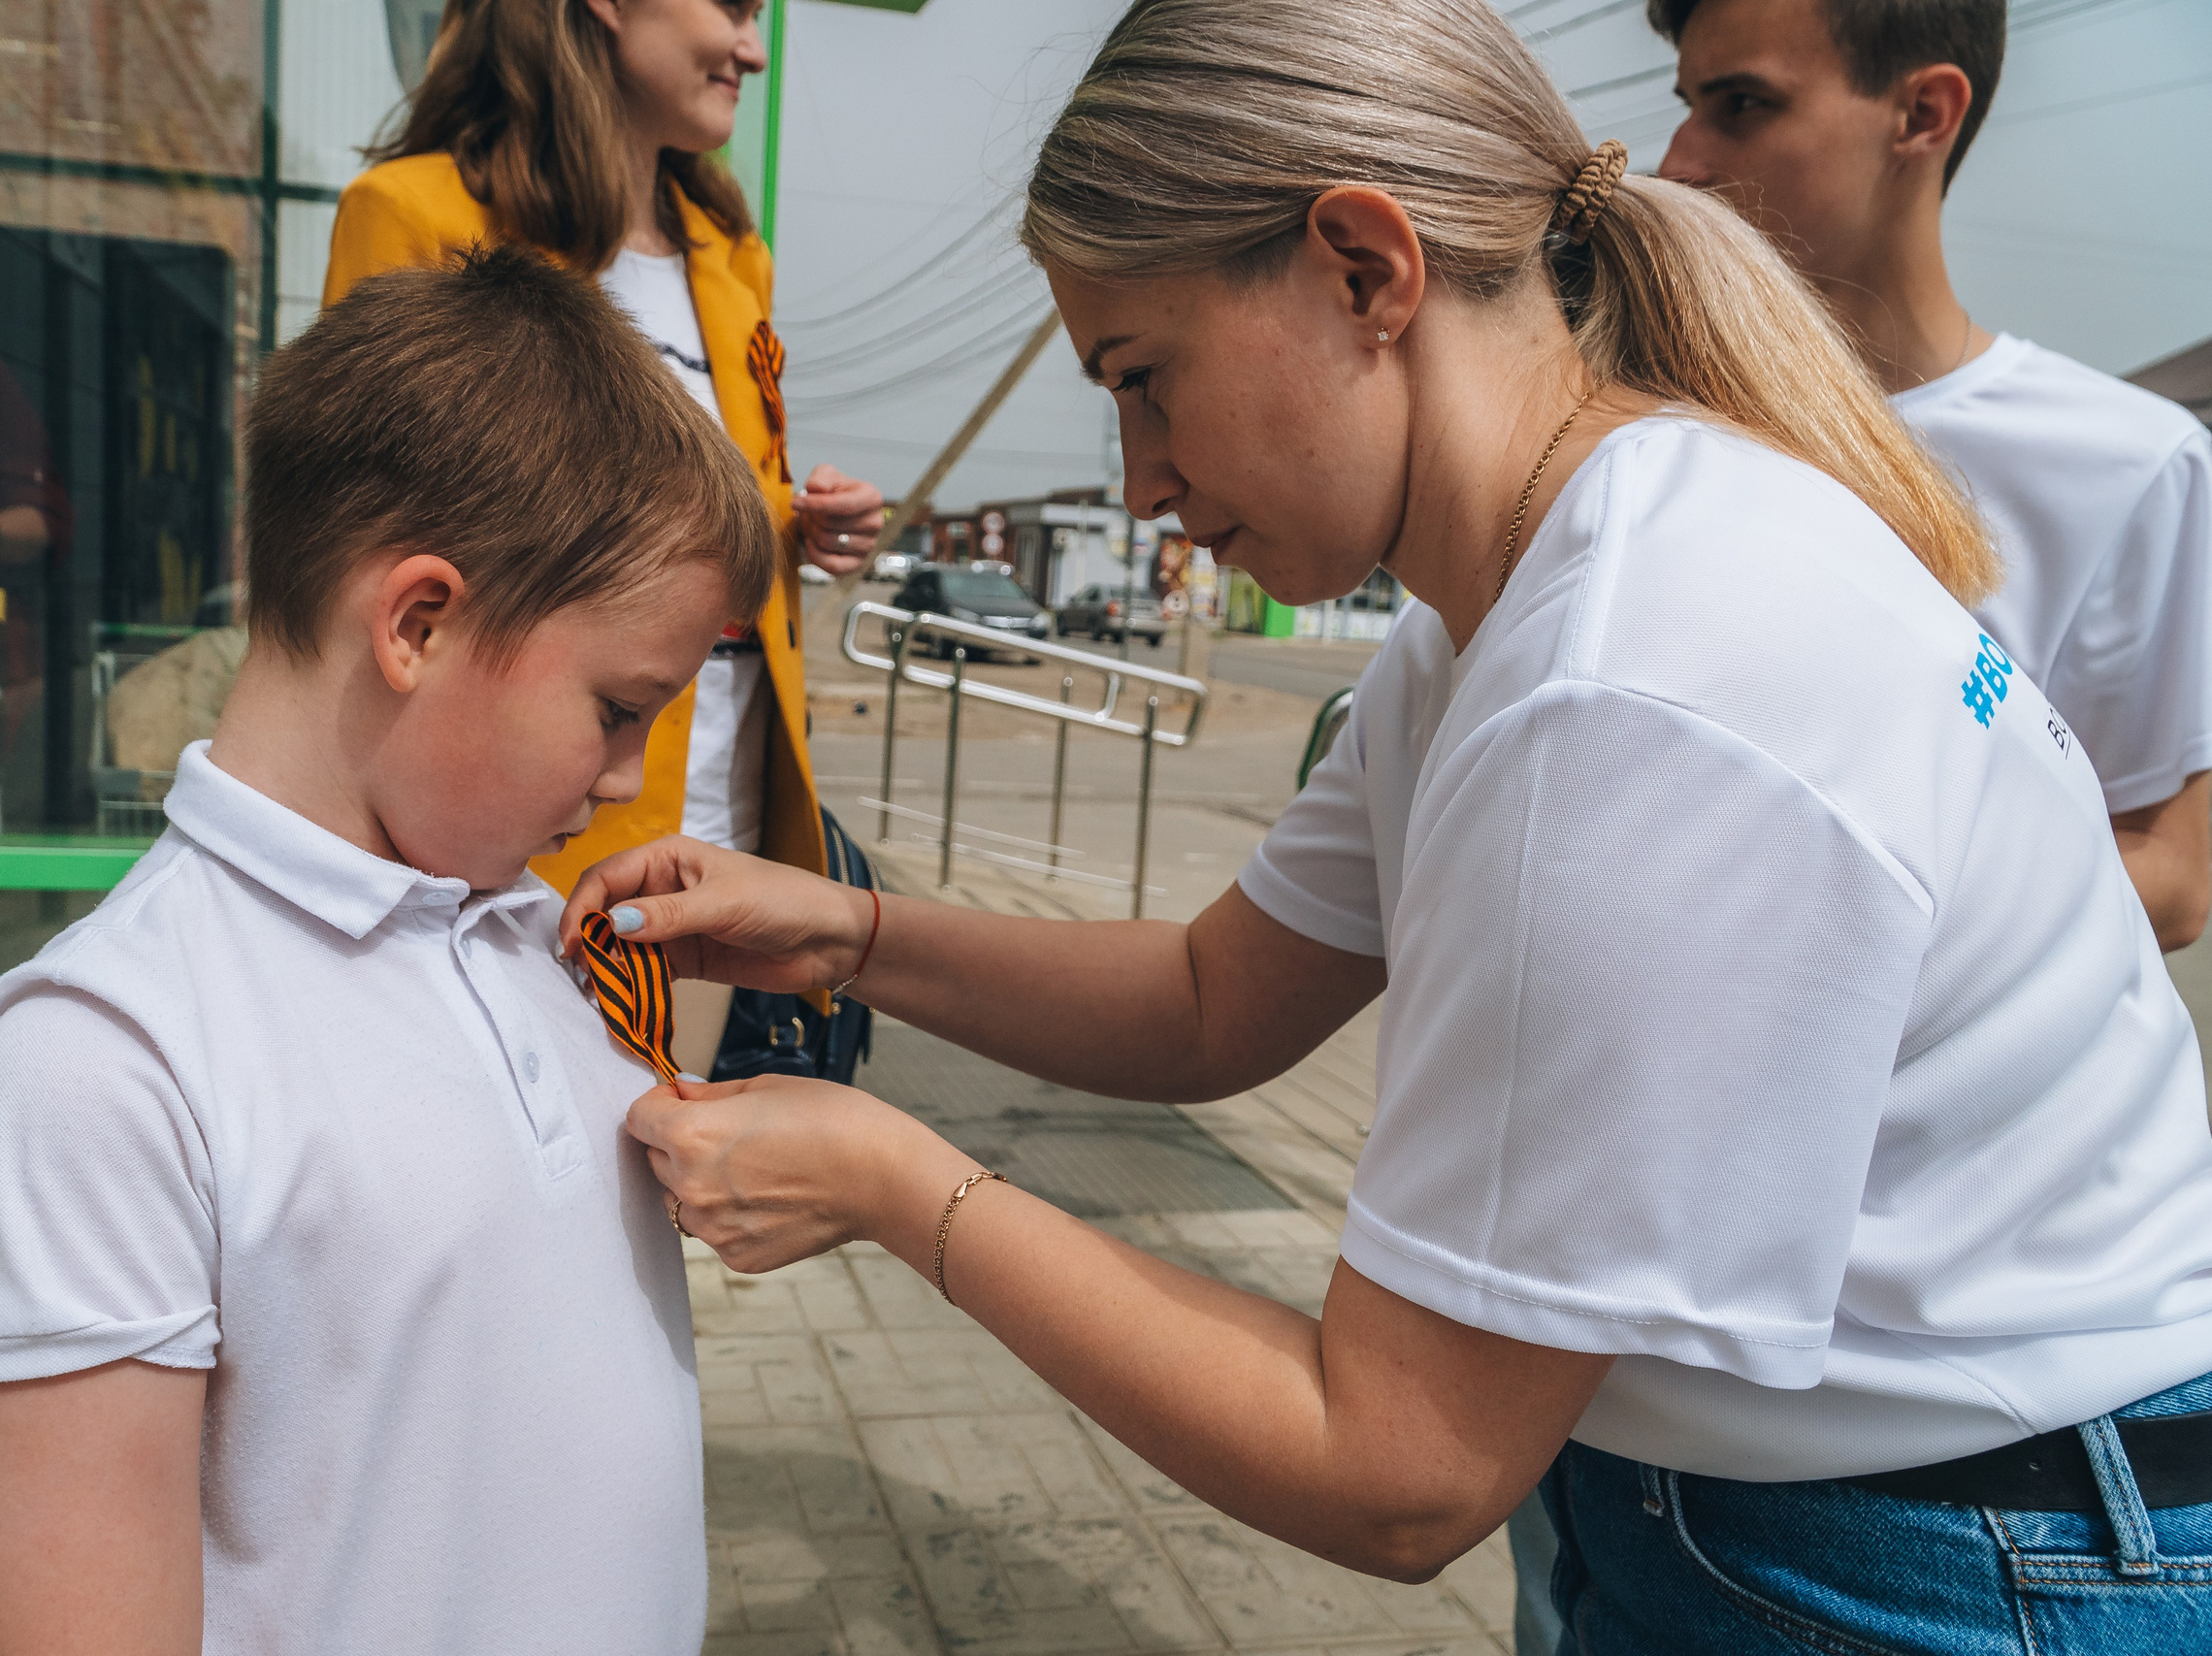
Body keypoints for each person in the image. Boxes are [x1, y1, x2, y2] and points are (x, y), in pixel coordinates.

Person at [560, 1, 2212, 1649]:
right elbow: (1216, 999)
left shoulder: (1633, 675)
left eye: (1146, 378)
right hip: (1806, 1501)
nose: (1135, 477)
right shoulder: (1504, 606)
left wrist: (896, 1181)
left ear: (1366, 268)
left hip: (1945, 1551)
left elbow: (1397, 1466)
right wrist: (846, 933)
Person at [0, 245, 775, 1654]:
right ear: (419, 622)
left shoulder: (524, 940)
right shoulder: (103, 1067)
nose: (628, 777)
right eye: (621, 706)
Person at [323, 0, 887, 1076]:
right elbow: (363, 550)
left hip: (712, 801)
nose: (754, 50)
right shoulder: (413, 215)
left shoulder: (730, 254)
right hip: (498, 827)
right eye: (734, 7)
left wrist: (786, 526)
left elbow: (689, 522)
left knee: (648, 1185)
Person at [1650, 0, 2212, 952]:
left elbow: (2172, 875)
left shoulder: (2131, 465)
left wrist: (1817, 900)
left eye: (1740, 104)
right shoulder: (1647, 433)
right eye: (1687, 103)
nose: (1679, 163)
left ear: (1921, 117)